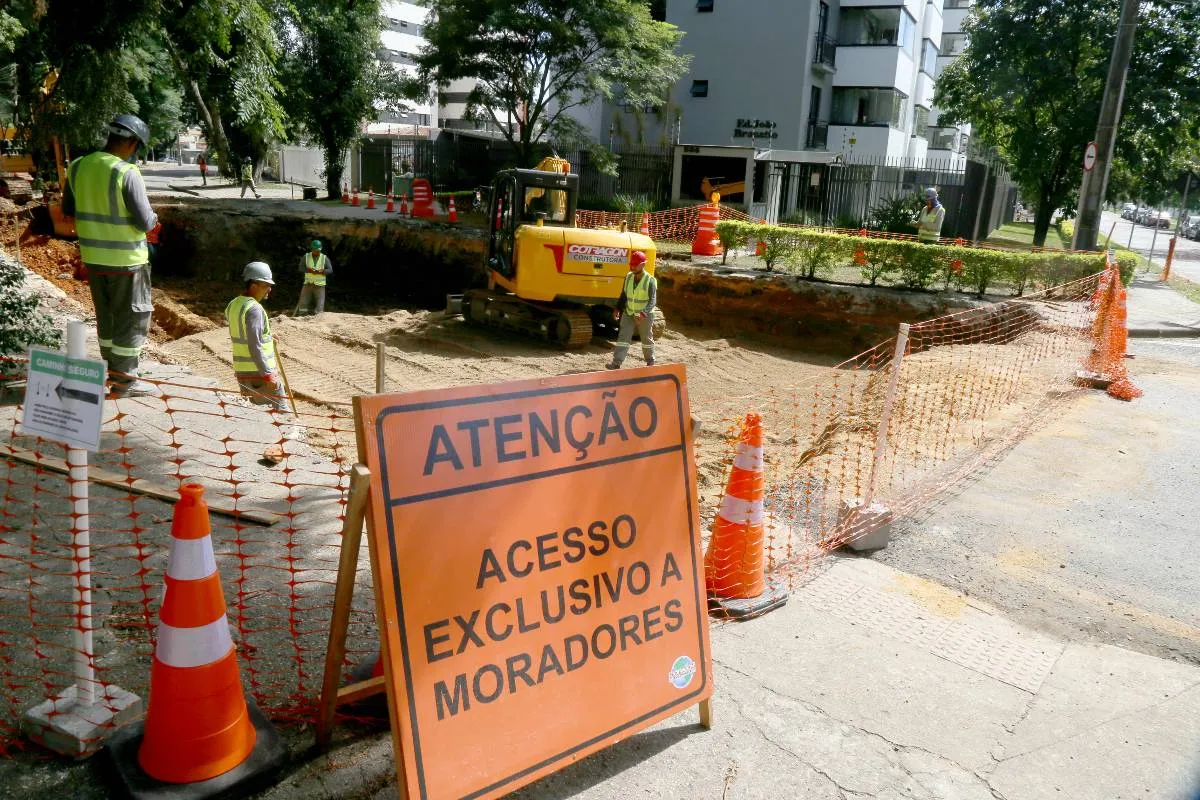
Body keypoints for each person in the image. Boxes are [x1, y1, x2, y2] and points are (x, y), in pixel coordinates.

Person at [61, 113, 159, 397]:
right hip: (127, 262)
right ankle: (125, 380)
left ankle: (114, 371)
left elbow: (69, 209)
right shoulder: (126, 173)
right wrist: (154, 220)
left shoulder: (78, 167)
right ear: (132, 143)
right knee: (131, 317)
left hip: (93, 258)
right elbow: (144, 221)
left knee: (106, 317)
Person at [226, 261, 288, 411]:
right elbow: (254, 344)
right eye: (266, 285)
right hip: (259, 374)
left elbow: (244, 333)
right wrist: (267, 375)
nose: (269, 289)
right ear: (254, 286)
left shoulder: (233, 304)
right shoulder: (254, 309)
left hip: (242, 372)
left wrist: (266, 335)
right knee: (281, 417)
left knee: (255, 415)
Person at [606, 250, 657, 370]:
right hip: (629, 312)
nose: (632, 267)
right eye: (631, 264)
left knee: (646, 339)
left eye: (635, 264)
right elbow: (624, 295)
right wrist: (618, 308)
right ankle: (616, 363)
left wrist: (643, 313)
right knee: (623, 338)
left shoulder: (650, 281)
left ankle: (650, 362)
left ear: (643, 264)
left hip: (645, 315)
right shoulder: (628, 277)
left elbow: (652, 300)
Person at [295, 239, 332, 316]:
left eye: (318, 250)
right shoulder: (306, 257)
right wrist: (308, 270)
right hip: (308, 284)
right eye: (315, 250)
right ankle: (302, 315)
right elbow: (300, 268)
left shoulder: (324, 258)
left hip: (320, 285)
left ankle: (318, 317)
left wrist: (322, 271)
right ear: (312, 249)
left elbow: (330, 270)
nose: (317, 252)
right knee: (303, 302)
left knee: (320, 304)